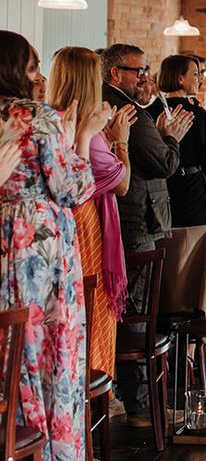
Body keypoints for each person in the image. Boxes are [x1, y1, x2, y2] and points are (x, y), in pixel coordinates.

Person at [0, 31, 106, 461]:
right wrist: (83, 134)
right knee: (41, 365)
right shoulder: (36, 117)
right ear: (14, 69)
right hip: (38, 258)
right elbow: (74, 187)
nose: (40, 76)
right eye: (33, 65)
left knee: (6, 365)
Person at [101, 43, 192, 422]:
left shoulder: (130, 109)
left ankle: (129, 397)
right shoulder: (127, 113)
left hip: (137, 217)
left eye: (146, 69)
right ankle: (137, 404)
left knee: (134, 311)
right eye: (137, 71)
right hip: (136, 220)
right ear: (114, 74)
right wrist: (170, 137)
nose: (145, 77)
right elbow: (165, 162)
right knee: (135, 314)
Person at [50, 47, 135, 385]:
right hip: (84, 223)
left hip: (64, 222)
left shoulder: (52, 120)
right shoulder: (88, 129)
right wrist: (122, 142)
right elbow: (123, 183)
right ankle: (93, 384)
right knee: (92, 304)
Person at [150, 54, 206, 227]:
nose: (200, 79)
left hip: (160, 189)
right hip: (192, 188)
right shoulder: (196, 112)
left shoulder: (150, 111)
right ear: (180, 78)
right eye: (195, 74)